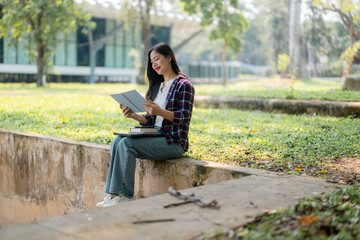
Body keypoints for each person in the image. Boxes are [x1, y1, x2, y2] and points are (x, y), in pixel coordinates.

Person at [96, 42, 195, 207]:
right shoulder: (158, 86)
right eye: (151, 62)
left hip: (173, 142)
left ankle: (126, 196)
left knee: (127, 144)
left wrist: (160, 112)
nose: (154, 64)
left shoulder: (183, 85)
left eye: (157, 59)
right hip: (155, 134)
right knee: (117, 141)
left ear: (169, 57)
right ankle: (113, 195)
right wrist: (134, 115)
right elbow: (151, 119)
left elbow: (184, 117)